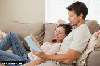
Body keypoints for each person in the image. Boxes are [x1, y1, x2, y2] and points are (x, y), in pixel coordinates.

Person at [32, 1, 91, 66]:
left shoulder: (82, 31)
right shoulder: (76, 29)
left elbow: (70, 57)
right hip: (56, 60)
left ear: (80, 15)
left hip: (60, 63)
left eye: (71, 16)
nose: (68, 18)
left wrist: (45, 56)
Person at [0, 24, 72, 66]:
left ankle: (3, 35)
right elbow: (37, 51)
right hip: (26, 55)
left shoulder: (59, 46)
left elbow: (44, 58)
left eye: (60, 33)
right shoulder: (50, 43)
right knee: (12, 35)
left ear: (65, 36)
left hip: (27, 62)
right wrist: (33, 43)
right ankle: (4, 35)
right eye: (56, 30)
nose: (56, 33)